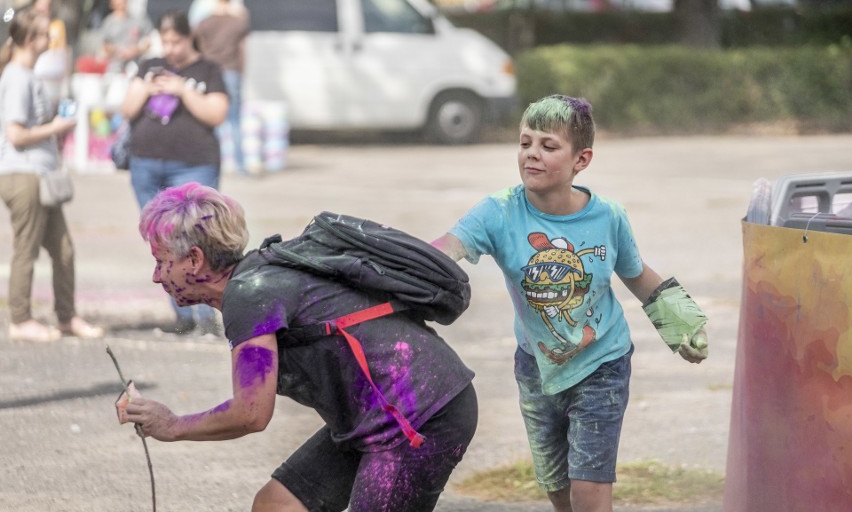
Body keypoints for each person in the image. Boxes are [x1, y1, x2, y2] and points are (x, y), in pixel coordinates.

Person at [122, 182, 478, 512]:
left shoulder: (249, 294)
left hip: (422, 412)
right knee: (277, 505)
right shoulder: (260, 274)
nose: (156, 275)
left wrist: (173, 425)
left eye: (161, 261)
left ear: (195, 259)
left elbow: (251, 414)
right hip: (375, 417)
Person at [431, 94, 709, 512]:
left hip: (603, 364)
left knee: (589, 490)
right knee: (556, 485)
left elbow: (637, 275)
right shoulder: (499, 212)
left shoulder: (608, 217)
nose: (532, 155)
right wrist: (383, 267)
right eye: (525, 143)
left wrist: (684, 324)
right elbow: (441, 250)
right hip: (536, 368)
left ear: (582, 159)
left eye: (548, 145)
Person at [119, 9, 228, 335]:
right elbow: (126, 109)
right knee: (163, 242)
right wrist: (146, 89)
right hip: (147, 164)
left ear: (189, 37)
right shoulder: (149, 66)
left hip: (194, 164)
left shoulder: (208, 70)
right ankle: (181, 316)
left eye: (176, 41)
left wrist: (184, 90)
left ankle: (207, 319)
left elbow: (216, 114)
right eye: (164, 41)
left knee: (195, 241)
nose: (170, 48)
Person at [0, 7, 103, 341]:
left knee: (63, 250)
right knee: (26, 249)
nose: (52, 38)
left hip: (40, 174)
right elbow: (14, 135)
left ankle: (66, 316)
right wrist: (55, 127)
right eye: (46, 33)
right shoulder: (16, 77)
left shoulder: (29, 76)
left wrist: (53, 126)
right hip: (22, 174)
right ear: (30, 39)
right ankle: (20, 319)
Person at [193, 0, 250, 175]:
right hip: (233, 71)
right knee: (235, 121)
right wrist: (243, 71)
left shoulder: (205, 22)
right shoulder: (239, 22)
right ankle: (241, 167)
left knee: (212, 120)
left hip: (211, 73)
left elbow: (197, 46)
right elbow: (243, 50)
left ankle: (210, 164)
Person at [100, 0, 152, 74]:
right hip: (115, 68)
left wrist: (136, 50)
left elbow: (149, 40)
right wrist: (116, 50)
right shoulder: (108, 22)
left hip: (137, 65)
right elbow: (105, 45)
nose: (122, 0)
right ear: (112, 1)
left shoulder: (139, 19)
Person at [31, 0, 70, 105]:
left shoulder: (58, 25)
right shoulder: (29, 25)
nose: (44, 8)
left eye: (47, 5)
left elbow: (63, 49)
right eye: (41, 5)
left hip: (53, 77)